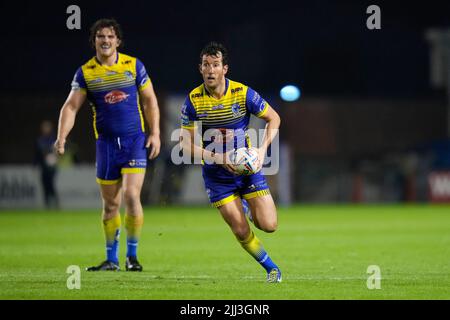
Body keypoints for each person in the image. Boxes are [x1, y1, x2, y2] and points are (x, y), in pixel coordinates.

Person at [54, 18, 161, 272]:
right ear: (94, 41)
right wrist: (61, 137)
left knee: (132, 195)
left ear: (118, 41)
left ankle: (132, 257)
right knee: (110, 205)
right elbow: (71, 106)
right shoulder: (86, 72)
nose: (105, 40)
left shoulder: (134, 66)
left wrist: (155, 132)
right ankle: (111, 260)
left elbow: (150, 101)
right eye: (100, 36)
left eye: (110, 36)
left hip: (135, 142)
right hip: (106, 147)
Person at [179, 42, 282, 282]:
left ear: (225, 68)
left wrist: (261, 150)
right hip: (217, 177)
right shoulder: (193, 101)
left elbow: (274, 118)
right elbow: (184, 145)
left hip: (247, 170)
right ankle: (272, 269)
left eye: (215, 65)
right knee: (240, 229)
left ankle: (246, 206)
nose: (210, 70)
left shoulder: (242, 93)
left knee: (269, 225)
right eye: (206, 65)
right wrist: (217, 157)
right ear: (200, 68)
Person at [35, 120, 59, 209]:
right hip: (43, 166)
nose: (46, 129)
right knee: (44, 184)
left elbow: (56, 151)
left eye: (47, 127)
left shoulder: (54, 139)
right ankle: (47, 204)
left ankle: (56, 203)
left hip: (52, 167)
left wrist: (54, 156)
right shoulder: (40, 140)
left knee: (51, 184)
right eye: (44, 127)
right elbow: (37, 154)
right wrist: (35, 164)